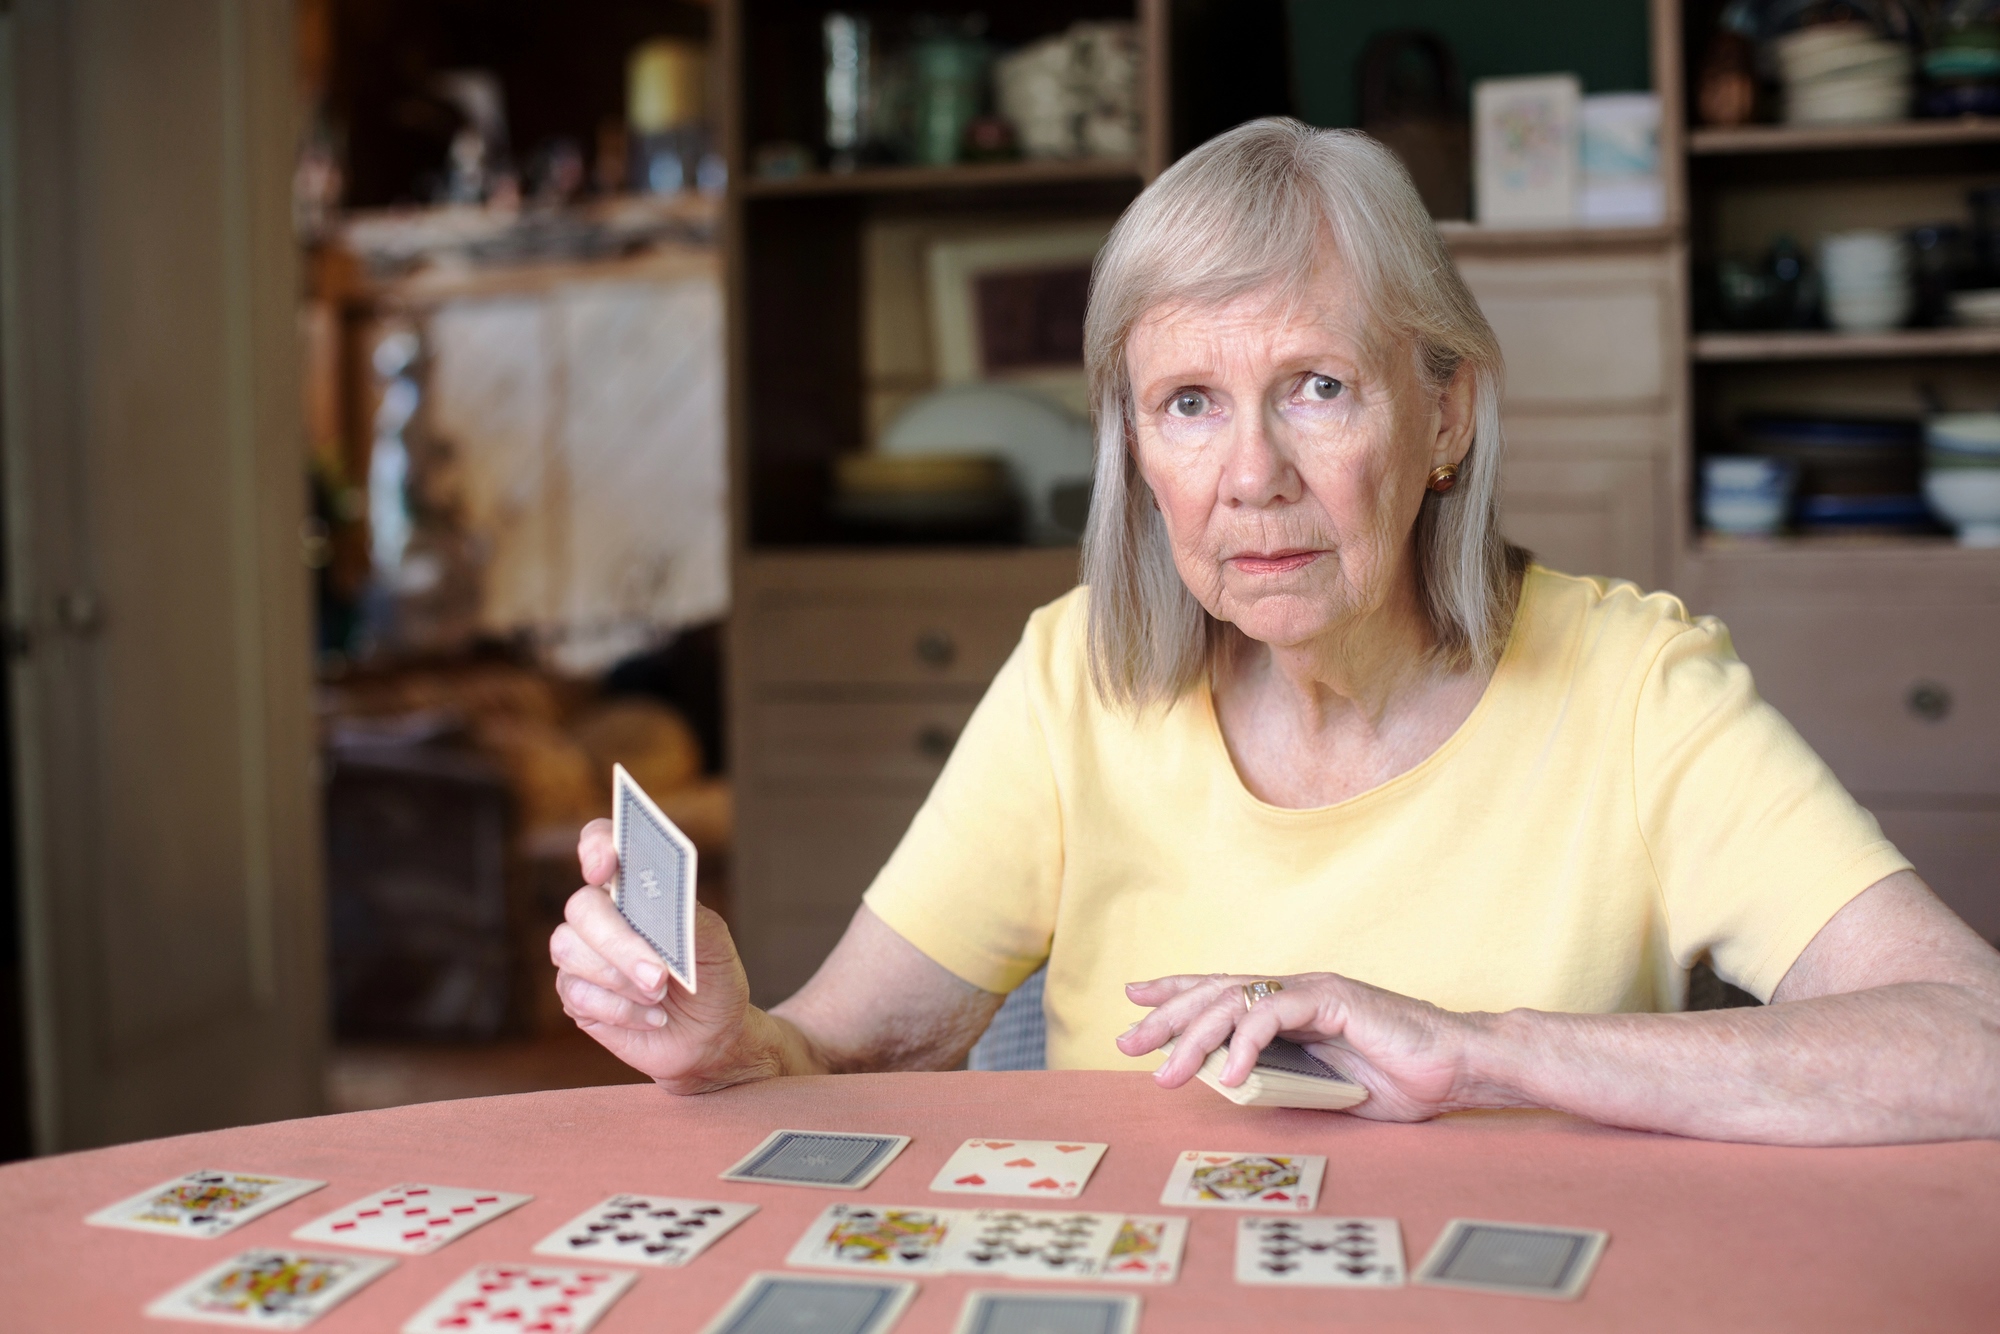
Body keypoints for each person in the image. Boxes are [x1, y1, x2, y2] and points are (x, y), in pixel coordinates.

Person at [550, 119, 2000, 1145]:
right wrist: (728, 1042)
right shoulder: (1077, 677)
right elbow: (838, 1050)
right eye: (1190, 404)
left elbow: (1972, 1040)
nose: (1252, 476)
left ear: (1445, 413)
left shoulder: (1636, 691)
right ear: (1136, 446)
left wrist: (1485, 1052)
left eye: (1316, 385)